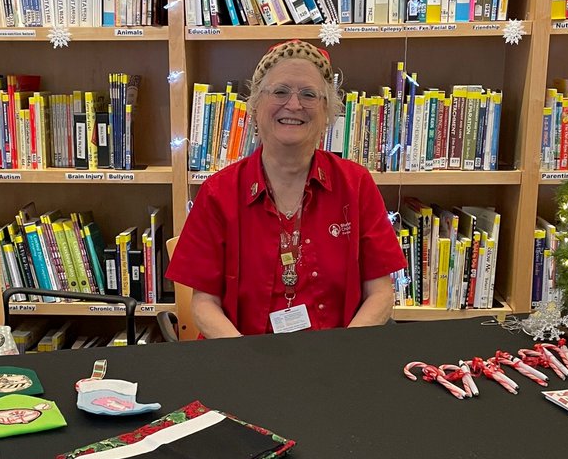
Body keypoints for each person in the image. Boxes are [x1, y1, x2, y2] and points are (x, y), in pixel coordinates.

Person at [166, 40, 407, 337]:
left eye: (308, 94)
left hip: (336, 356)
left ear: (327, 112)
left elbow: (381, 293)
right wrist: (251, 365)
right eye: (280, 92)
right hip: (244, 355)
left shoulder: (356, 184)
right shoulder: (218, 192)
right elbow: (204, 303)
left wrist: (343, 354)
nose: (293, 105)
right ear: (255, 106)